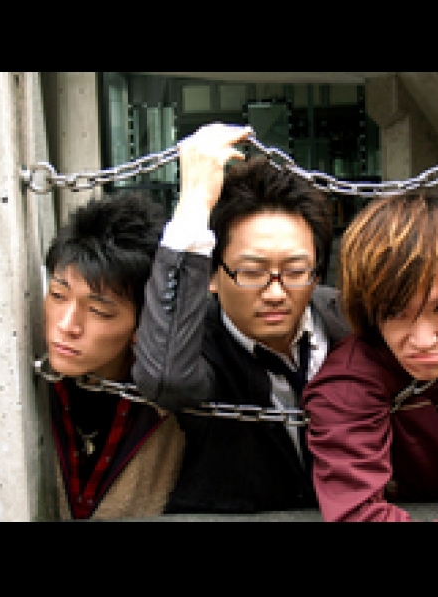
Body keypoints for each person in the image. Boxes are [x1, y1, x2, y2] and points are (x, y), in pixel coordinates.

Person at [132, 123, 351, 514]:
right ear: (212, 275)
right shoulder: (192, 343)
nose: (275, 293)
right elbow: (165, 378)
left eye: (296, 270)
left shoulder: (347, 322)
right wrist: (195, 202)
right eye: (251, 272)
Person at [301, 184, 438, 522]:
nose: (423, 340)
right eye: (396, 312)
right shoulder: (348, 386)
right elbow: (356, 514)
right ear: (371, 311)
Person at [42, 192, 185, 521]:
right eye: (58, 295)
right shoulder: (22, 381)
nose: (67, 325)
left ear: (144, 323)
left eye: (98, 311)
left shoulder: (169, 407)